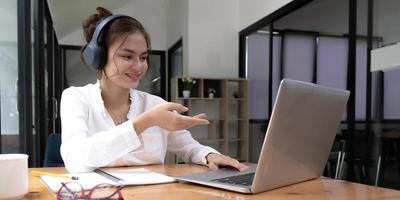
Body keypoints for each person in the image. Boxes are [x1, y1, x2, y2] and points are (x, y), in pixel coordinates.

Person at [60, 7, 249, 173]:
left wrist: (208, 156)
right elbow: (76, 160)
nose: (139, 67)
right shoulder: (76, 98)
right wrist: (147, 121)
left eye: (143, 58)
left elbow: (189, 147)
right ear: (99, 57)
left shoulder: (155, 104)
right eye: (127, 56)